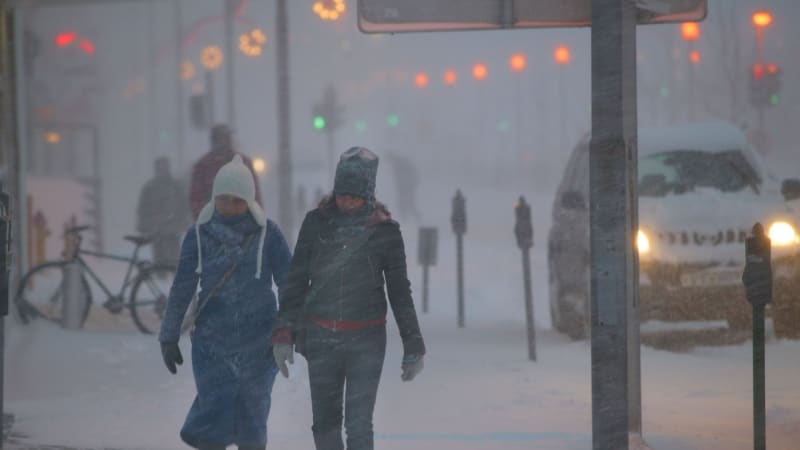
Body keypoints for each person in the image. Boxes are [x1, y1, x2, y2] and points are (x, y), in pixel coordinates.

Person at [272, 147, 426, 450]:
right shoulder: (316, 223)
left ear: (368, 195)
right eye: (342, 195)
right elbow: (296, 281)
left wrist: (414, 344)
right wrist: (283, 330)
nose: (347, 202)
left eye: (354, 196)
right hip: (321, 338)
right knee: (326, 425)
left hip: (366, 339)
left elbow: (399, 291)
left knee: (358, 425)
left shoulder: (385, 232)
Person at [159, 155, 292, 450]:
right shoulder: (198, 235)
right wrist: (168, 335)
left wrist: (286, 330)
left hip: (260, 344)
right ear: (214, 197)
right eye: (223, 199)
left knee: (253, 420)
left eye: (237, 200)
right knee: (212, 419)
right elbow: (182, 287)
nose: (229, 207)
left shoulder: (268, 235)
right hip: (212, 343)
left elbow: (290, 286)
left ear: (249, 199)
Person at [190, 124, 262, 219]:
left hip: (216, 224)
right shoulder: (243, 163)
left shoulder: (203, 165)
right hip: (239, 223)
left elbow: (196, 199)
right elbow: (255, 197)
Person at [136, 157, 190, 266]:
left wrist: (182, 221)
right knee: (161, 259)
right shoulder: (152, 187)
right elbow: (143, 208)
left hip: (169, 229)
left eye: (163, 166)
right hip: (160, 229)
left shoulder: (172, 186)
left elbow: (183, 206)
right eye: (160, 167)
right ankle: (163, 276)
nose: (161, 169)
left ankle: (167, 275)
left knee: (172, 258)